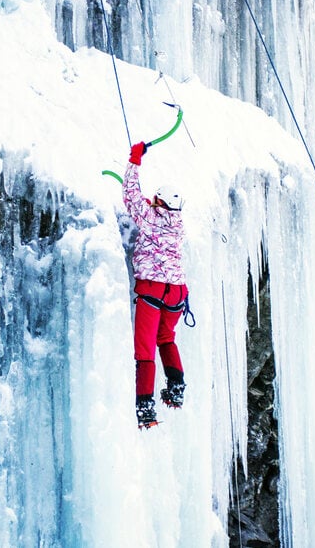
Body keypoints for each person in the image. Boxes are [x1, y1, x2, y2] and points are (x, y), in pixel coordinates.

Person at [124, 141, 189, 428]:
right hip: (176, 293)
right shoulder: (179, 225)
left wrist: (135, 158)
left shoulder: (149, 217)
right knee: (166, 339)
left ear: (158, 202)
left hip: (151, 289)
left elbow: (130, 194)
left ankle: (145, 408)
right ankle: (176, 387)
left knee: (145, 351)